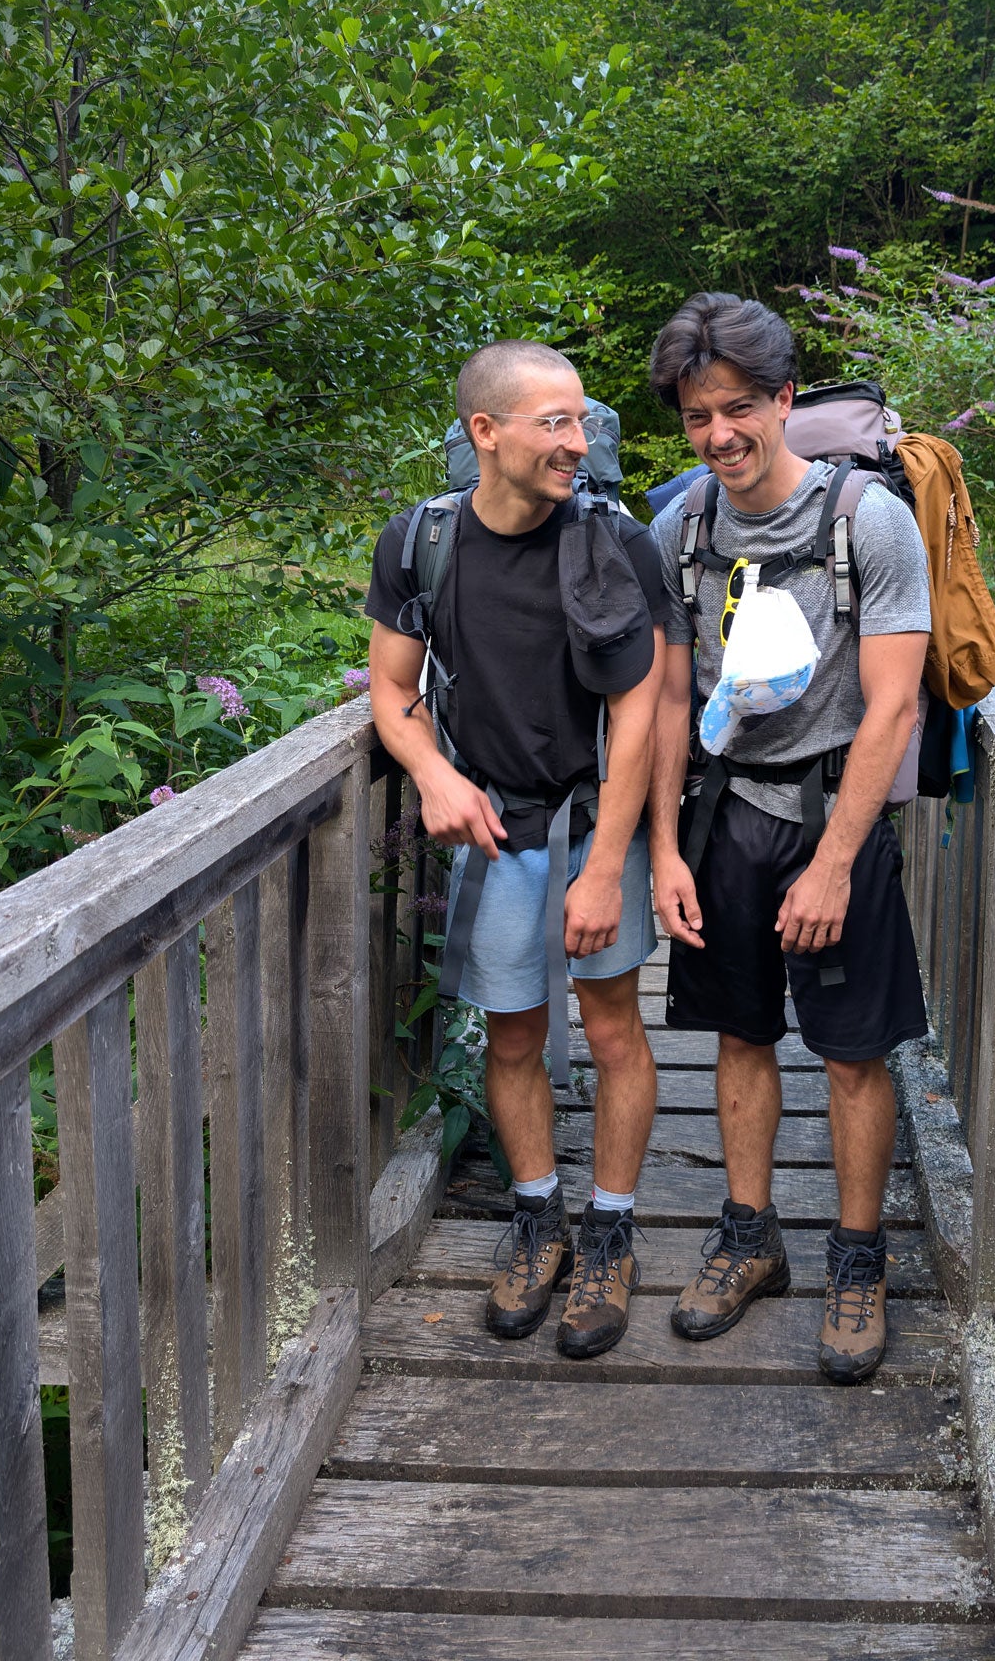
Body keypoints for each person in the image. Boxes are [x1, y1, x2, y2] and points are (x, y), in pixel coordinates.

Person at [647, 293, 931, 1385]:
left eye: (738, 410)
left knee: (855, 1052)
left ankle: (858, 1262)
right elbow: (672, 700)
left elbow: (893, 705)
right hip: (723, 816)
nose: (719, 435)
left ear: (784, 400)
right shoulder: (685, 530)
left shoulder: (868, 521)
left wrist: (834, 861)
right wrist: (668, 851)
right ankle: (749, 1237)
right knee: (738, 1033)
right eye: (696, 417)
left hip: (836, 816)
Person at [367, 340, 666, 1359]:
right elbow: (391, 693)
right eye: (554, 424)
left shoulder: (618, 545)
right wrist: (433, 773)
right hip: (496, 822)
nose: (576, 444)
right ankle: (536, 1214)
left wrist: (603, 864)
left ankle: (612, 1229)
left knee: (616, 1030)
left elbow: (642, 716)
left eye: (582, 423)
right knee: (511, 1036)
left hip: (596, 821)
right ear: (485, 433)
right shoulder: (422, 544)